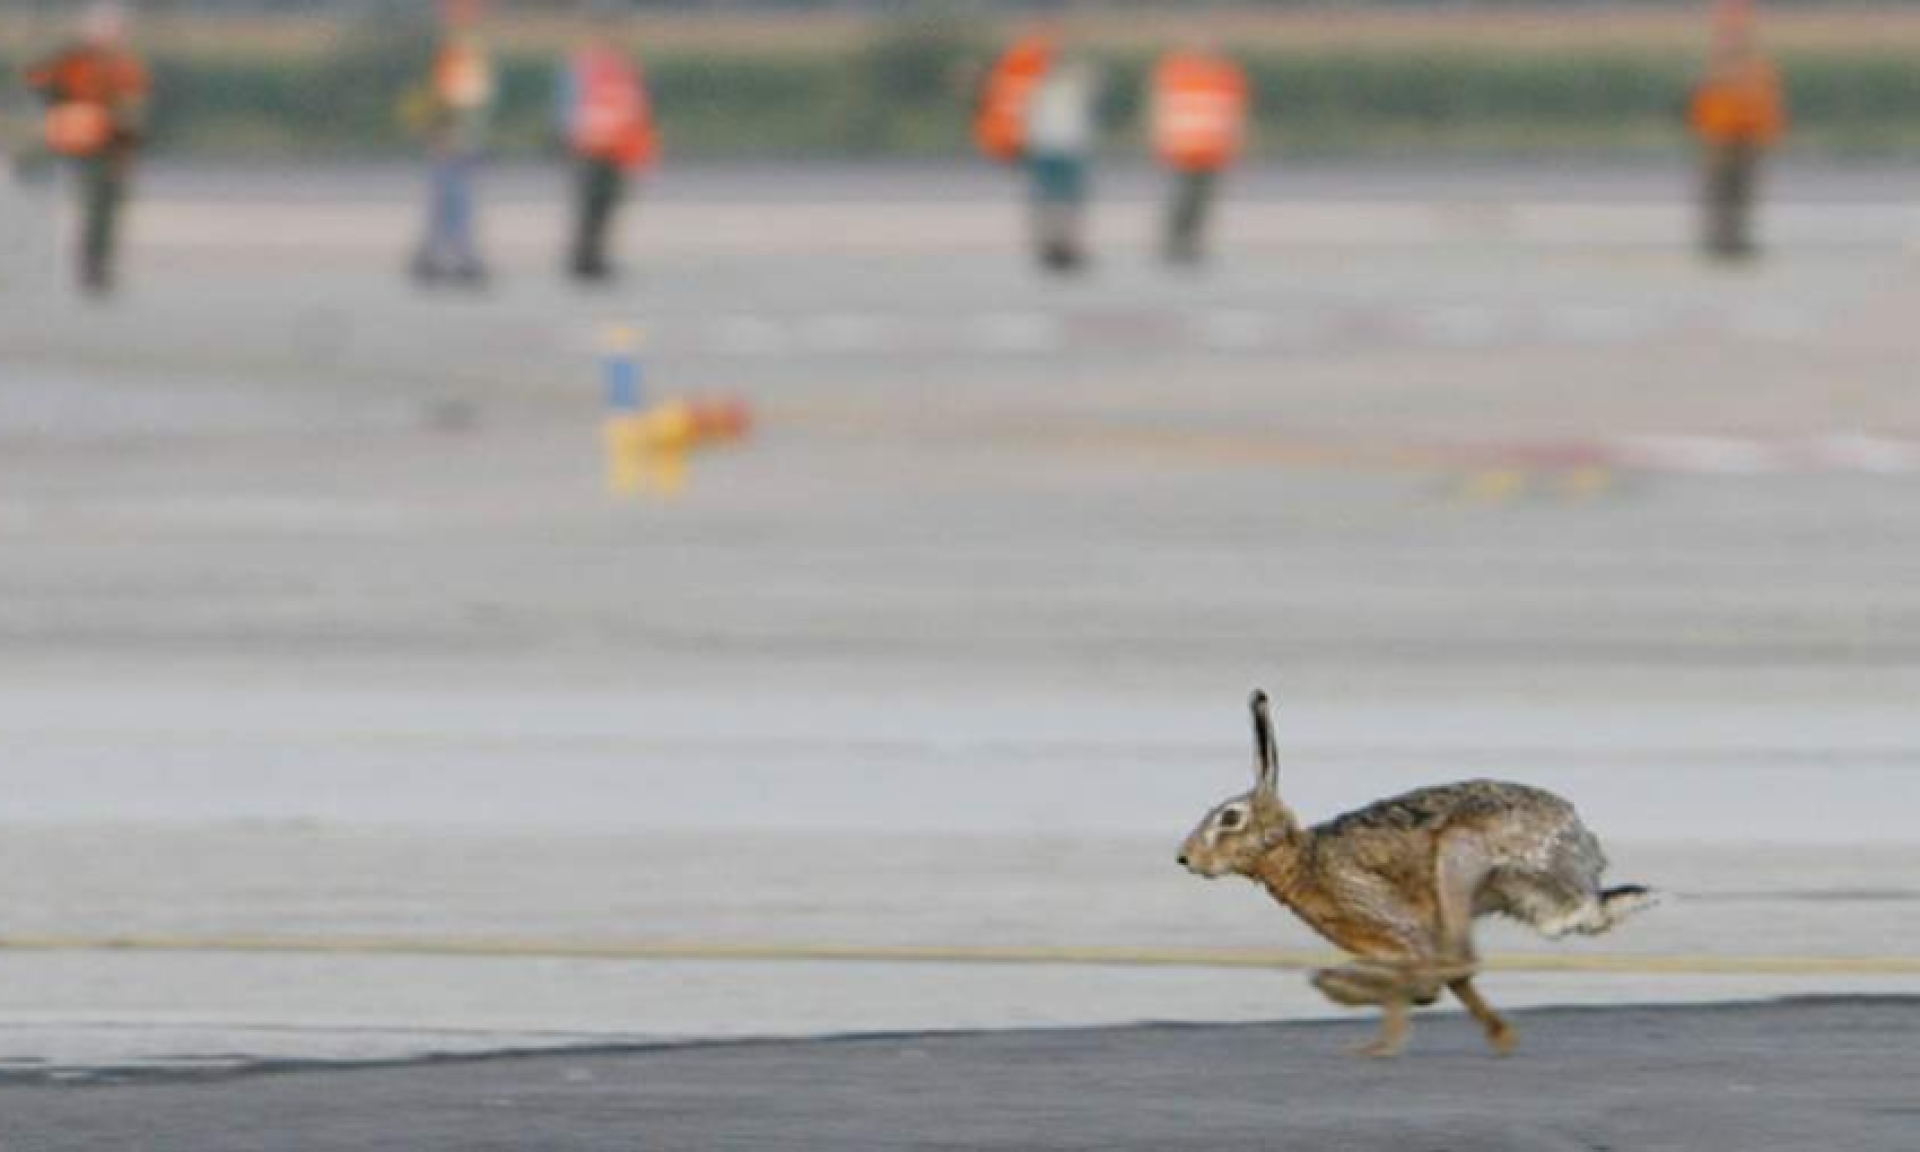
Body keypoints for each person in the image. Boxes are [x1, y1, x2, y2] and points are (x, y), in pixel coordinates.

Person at [23, 3, 149, 296]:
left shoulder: (125, 67)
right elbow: (37, 78)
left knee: (102, 208)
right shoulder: (72, 60)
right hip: (68, 140)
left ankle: (95, 268)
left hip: (104, 146)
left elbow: (132, 112)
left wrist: (126, 153)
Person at [556, 11, 657, 284]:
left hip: (618, 147)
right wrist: (568, 136)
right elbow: (568, 104)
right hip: (590, 145)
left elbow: (638, 106)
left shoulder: (627, 67)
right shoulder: (584, 65)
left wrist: (640, 143)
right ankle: (582, 257)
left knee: (608, 205)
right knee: (588, 203)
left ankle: (597, 255)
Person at [406, 0, 496, 287]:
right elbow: (448, 96)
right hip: (450, 135)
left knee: (449, 197)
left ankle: (435, 255)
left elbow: (472, 97)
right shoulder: (454, 51)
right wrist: (445, 133)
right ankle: (455, 257)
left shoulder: (465, 48)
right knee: (454, 197)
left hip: (458, 133)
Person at [1688, 0, 1786, 261]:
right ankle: (1720, 241)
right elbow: (1704, 102)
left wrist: (1768, 132)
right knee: (1722, 193)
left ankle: (1734, 241)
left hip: (1744, 136)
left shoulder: (1755, 68)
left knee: (1739, 193)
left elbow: (1767, 103)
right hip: (1721, 136)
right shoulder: (1718, 68)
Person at [1149, 42, 1249, 265]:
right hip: (1186, 147)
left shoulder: (1225, 77)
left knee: (1200, 199)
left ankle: (1188, 242)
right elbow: (1163, 107)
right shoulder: (1180, 73)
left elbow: (1235, 111)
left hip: (1211, 148)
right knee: (1186, 198)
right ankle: (1176, 242)